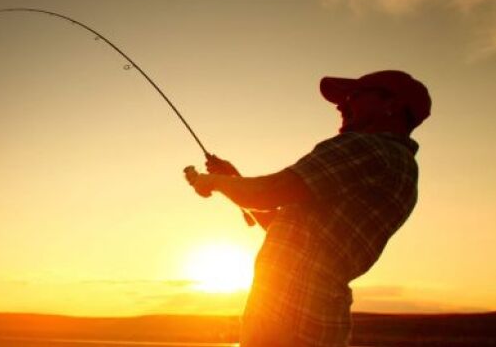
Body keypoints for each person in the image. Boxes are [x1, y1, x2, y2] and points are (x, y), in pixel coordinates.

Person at [183, 70, 431, 347]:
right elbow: (288, 226)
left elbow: (270, 192)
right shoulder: (400, 168)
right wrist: (234, 182)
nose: (341, 105)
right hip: (316, 313)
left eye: (355, 96)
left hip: (292, 313)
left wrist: (210, 182)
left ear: (392, 105)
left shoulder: (368, 147)